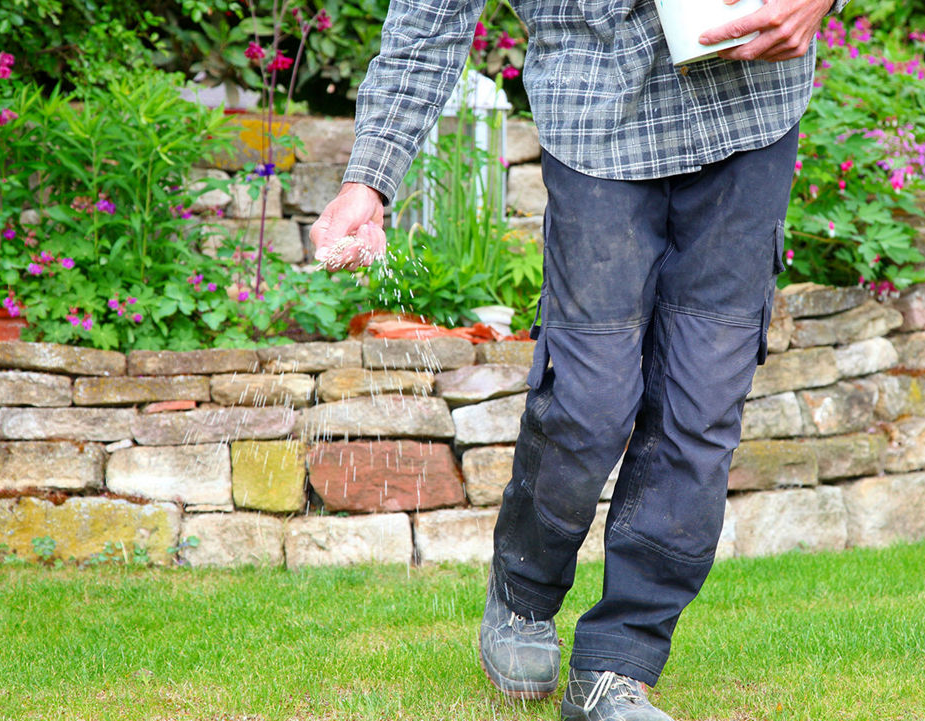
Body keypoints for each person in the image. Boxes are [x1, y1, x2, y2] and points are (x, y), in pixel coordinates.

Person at [310, 0, 849, 717]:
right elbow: (429, 16)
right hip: (596, 113)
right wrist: (368, 180)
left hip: (750, 106)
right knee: (589, 402)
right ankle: (523, 591)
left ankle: (617, 664)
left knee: (701, 404)